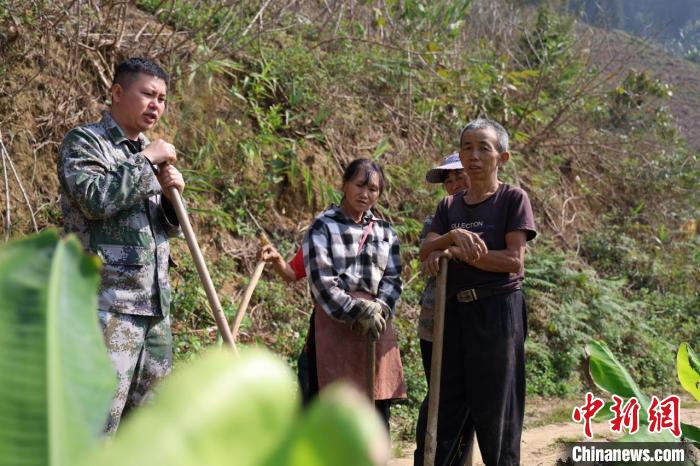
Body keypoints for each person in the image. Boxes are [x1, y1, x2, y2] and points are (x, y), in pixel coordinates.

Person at [57, 57, 185, 434]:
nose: (156, 105)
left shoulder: (148, 152)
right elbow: (94, 199)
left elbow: (165, 229)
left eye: (162, 98)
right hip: (106, 307)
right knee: (95, 426)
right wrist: (147, 162)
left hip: (154, 312)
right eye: (148, 94)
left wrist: (170, 197)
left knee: (148, 431)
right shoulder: (85, 142)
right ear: (117, 92)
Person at [418, 118, 536, 465]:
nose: (473, 155)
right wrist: (451, 238)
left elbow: (514, 261)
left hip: (497, 312)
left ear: (502, 156)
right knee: (447, 405)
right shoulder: (449, 207)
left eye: (484, 147)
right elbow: (425, 249)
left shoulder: (513, 199)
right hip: (453, 312)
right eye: (467, 147)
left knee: (496, 410)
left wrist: (453, 254)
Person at [302, 158, 406, 427]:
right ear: (344, 185)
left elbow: (394, 278)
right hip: (334, 325)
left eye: (373, 189)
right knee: (329, 409)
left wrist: (380, 308)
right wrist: (357, 311)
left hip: (377, 325)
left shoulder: (385, 232)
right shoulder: (322, 226)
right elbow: (322, 281)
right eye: (360, 185)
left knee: (376, 409)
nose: (365, 194)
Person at [414, 153, 475, 464]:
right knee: (438, 393)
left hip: (472, 320)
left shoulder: (486, 217)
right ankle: (425, 458)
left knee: (468, 396)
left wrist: (448, 250)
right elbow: (425, 260)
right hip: (435, 321)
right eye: (448, 180)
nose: (453, 184)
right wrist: (439, 251)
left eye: (459, 176)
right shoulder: (435, 220)